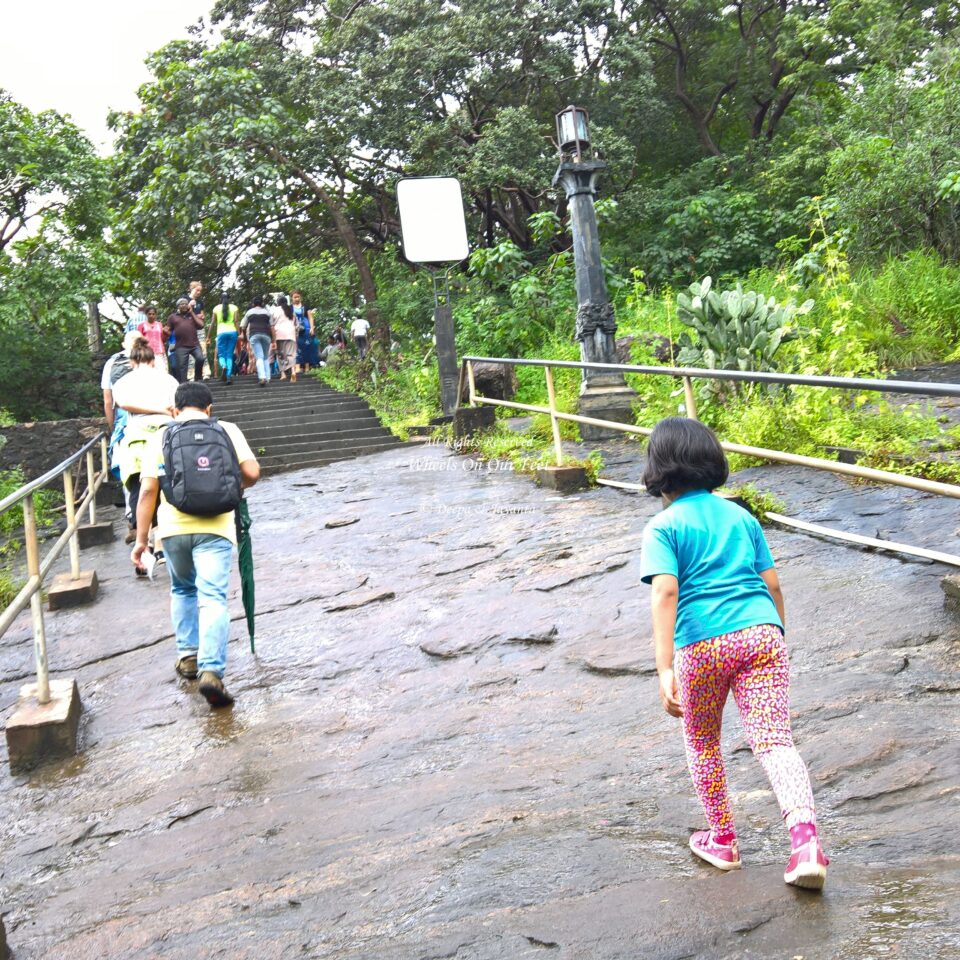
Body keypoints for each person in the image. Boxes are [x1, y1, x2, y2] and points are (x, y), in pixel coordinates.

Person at [639, 417, 828, 891]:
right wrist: (775, 636)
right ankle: (806, 844)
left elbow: (665, 592)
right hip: (761, 633)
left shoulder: (663, 526)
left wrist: (664, 668)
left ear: (658, 470)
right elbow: (773, 584)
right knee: (775, 741)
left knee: (702, 741)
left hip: (701, 643)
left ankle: (723, 840)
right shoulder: (742, 517)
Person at [131, 381, 260, 708]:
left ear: (175, 410)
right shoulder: (227, 429)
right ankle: (211, 671)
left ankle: (188, 657)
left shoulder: (161, 435)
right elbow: (253, 472)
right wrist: (232, 488)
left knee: (183, 590)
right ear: (209, 409)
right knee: (212, 596)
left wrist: (141, 540)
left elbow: (147, 492)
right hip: (216, 528)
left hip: (173, 530)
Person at [112, 337, 178, 571]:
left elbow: (123, 404)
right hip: (165, 437)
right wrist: (161, 410)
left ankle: (145, 548)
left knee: (140, 493)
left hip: (136, 441)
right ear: (154, 359)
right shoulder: (169, 380)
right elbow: (175, 408)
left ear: (132, 361)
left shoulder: (124, 382)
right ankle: (160, 546)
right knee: (164, 491)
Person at [101, 330, 140, 542]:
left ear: (124, 344)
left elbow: (108, 401)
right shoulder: (151, 359)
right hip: (152, 418)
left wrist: (112, 426)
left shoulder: (112, 363)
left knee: (128, 472)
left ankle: (133, 520)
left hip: (124, 423)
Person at [166, 297, 205, 384]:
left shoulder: (192, 315)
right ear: (178, 306)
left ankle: (197, 377)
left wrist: (191, 312)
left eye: (185, 303)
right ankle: (183, 385)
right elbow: (168, 330)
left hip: (195, 344)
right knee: (182, 368)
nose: (184, 305)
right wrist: (165, 331)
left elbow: (201, 325)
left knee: (200, 359)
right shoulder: (172, 317)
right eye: (181, 304)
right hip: (181, 346)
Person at [240, 296, 276, 386]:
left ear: (253, 304)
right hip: (266, 335)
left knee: (259, 356)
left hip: (254, 334)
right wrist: (274, 341)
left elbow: (243, 326)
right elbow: (272, 327)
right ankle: (268, 377)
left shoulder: (249, 312)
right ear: (262, 303)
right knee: (265, 357)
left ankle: (262, 377)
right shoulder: (267, 313)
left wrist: (244, 336)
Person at [212, 295, 240, 383]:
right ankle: (228, 376)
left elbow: (213, 322)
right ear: (229, 299)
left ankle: (223, 366)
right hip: (232, 332)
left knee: (221, 355)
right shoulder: (234, 307)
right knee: (229, 355)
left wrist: (208, 336)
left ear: (220, 299)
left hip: (221, 333)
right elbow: (236, 321)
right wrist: (239, 332)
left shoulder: (216, 308)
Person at [272, 295, 298, 382]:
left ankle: (283, 374)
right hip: (291, 333)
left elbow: (271, 323)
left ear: (278, 303)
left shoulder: (275, 310)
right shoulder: (291, 310)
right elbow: (296, 324)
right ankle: (293, 372)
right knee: (291, 354)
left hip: (278, 334)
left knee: (280, 354)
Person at [291, 290, 318, 373]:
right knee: (297, 348)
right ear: (292, 298)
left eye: (298, 297)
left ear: (300, 297)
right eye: (295, 297)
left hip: (306, 329)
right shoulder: (290, 307)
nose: (296, 299)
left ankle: (307, 366)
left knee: (307, 346)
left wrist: (312, 328)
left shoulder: (305, 306)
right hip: (295, 330)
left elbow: (310, 317)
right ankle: (298, 366)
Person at [188, 280, 209, 379]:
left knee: (203, 349)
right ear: (192, 289)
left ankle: (205, 373)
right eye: (197, 290)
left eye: (200, 291)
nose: (199, 293)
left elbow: (203, 314)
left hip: (200, 328)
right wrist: (196, 315)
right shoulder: (185, 299)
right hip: (189, 328)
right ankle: (191, 375)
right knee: (190, 351)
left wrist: (201, 316)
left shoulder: (200, 302)